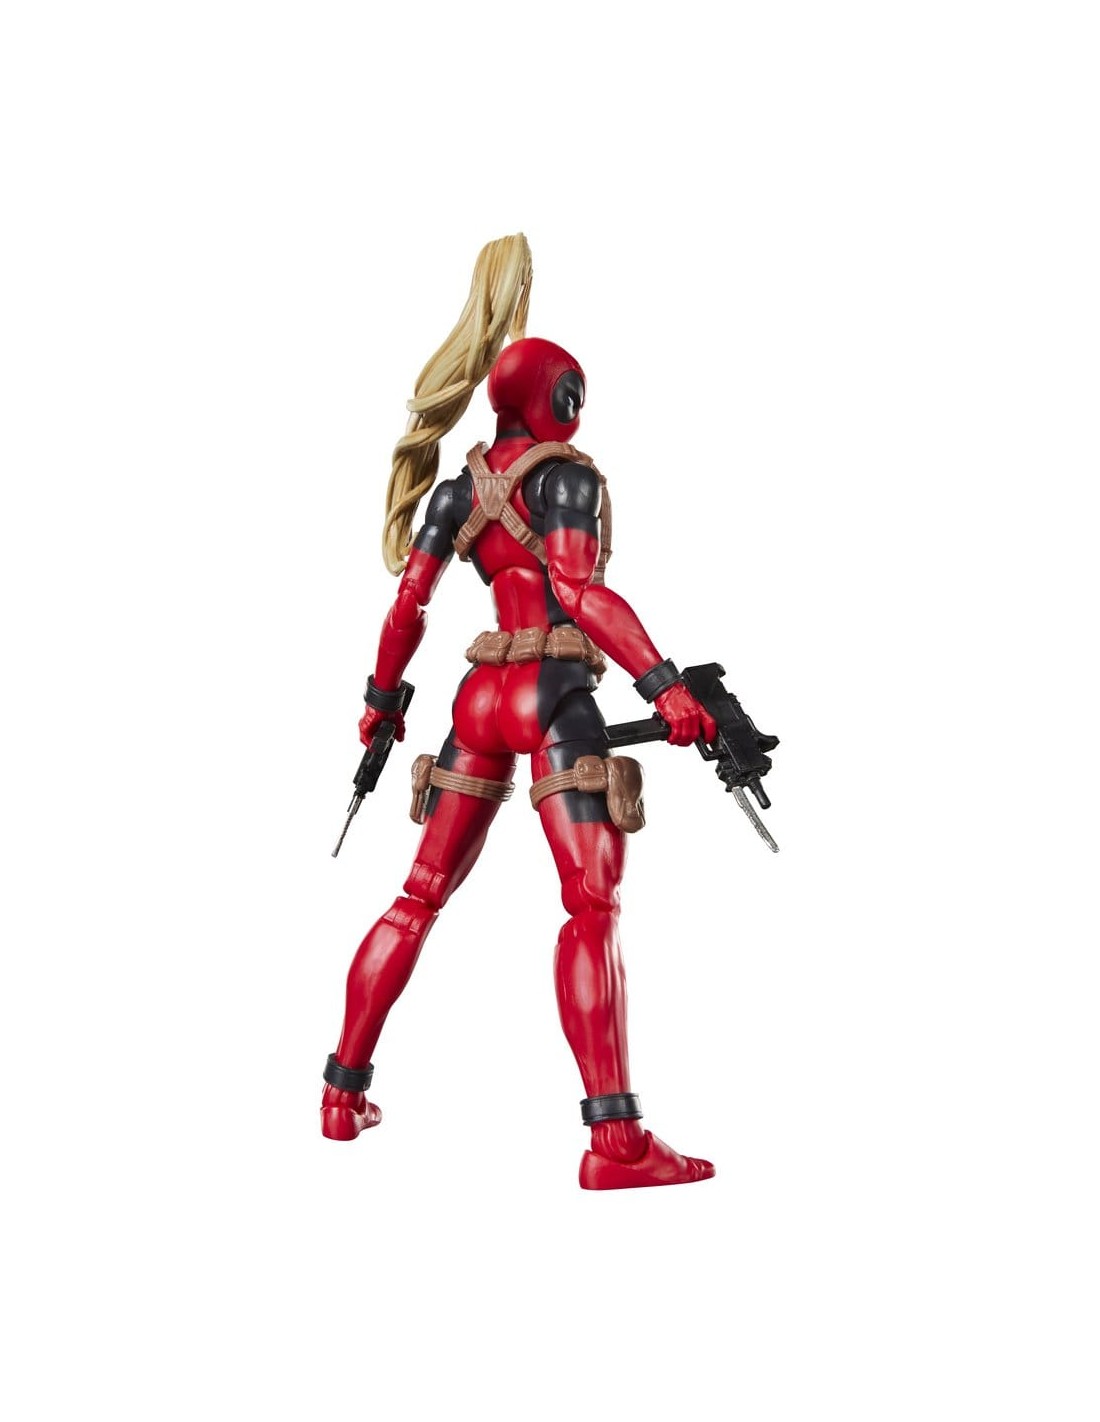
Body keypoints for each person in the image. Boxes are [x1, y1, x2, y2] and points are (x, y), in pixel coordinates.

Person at [321, 235, 718, 1188]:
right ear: (562, 399)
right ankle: (616, 1142)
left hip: (479, 698)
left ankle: (340, 1095)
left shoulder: (457, 488)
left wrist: (380, 706)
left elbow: (407, 606)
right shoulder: (566, 477)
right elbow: (578, 595)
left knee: (418, 894)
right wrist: (663, 684)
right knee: (591, 905)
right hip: (551, 695)